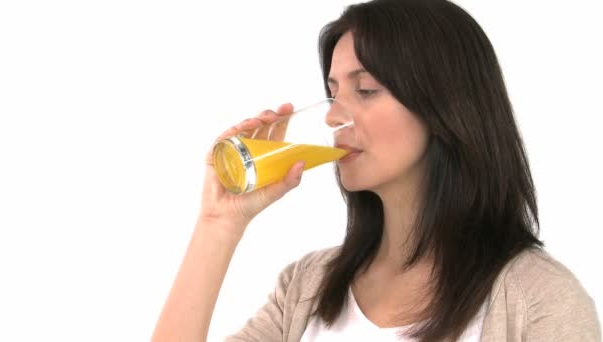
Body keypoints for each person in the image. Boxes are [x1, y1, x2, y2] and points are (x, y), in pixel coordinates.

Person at [152, 0, 600, 341]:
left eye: (365, 89)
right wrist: (218, 225)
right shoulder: (307, 287)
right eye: (333, 92)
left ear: (445, 108)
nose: (332, 117)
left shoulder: (539, 299)